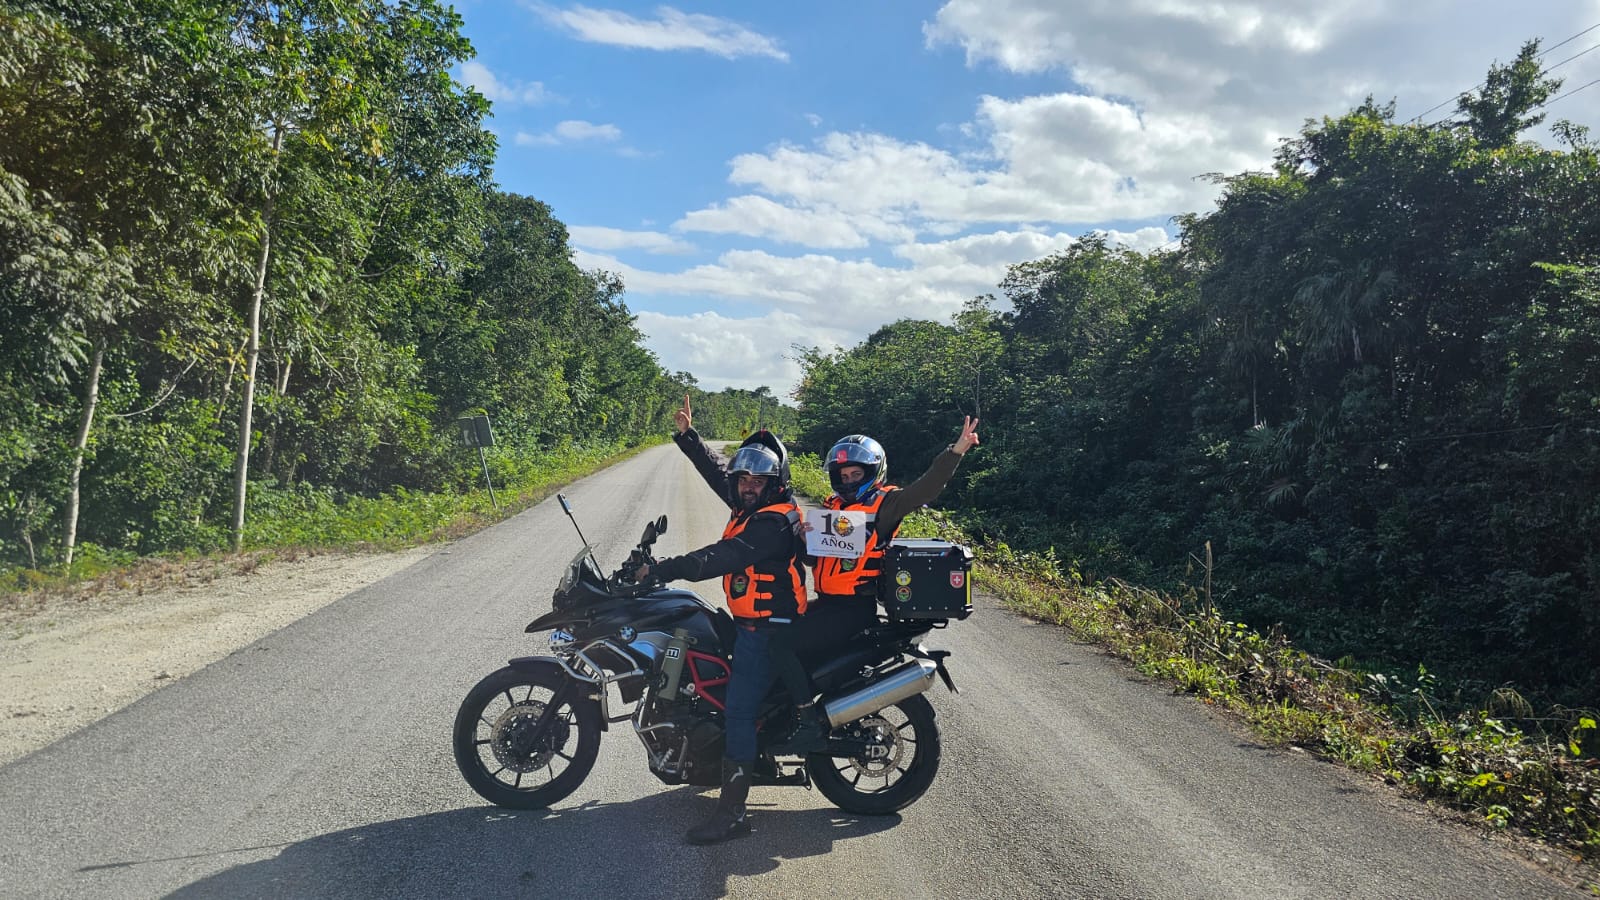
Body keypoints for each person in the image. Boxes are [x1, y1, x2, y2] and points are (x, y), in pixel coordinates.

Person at [632, 396, 809, 845]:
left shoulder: (774, 522)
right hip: (749, 620)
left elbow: (723, 556)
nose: (748, 486)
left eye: (758, 479)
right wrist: (689, 437)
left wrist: (665, 568)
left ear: (776, 482)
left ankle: (732, 815)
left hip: (770, 630)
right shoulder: (749, 504)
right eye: (743, 478)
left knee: (738, 712)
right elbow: (717, 473)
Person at [781, 416, 981, 749]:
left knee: (779, 643)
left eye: (856, 474)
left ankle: (805, 721)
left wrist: (955, 451)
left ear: (873, 473)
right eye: (842, 475)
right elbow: (815, 562)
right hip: (830, 605)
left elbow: (924, 489)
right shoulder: (831, 510)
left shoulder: (885, 506)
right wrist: (804, 539)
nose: (847, 481)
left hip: (852, 610)